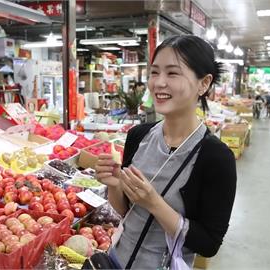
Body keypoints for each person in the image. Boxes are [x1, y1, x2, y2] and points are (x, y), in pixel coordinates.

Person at [95, 35, 237, 269]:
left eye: (172, 73)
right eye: (154, 72)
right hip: (115, 260)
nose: (159, 83)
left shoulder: (216, 158)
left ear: (204, 83)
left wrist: (154, 204)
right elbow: (128, 212)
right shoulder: (138, 136)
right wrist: (114, 185)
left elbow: (209, 244)